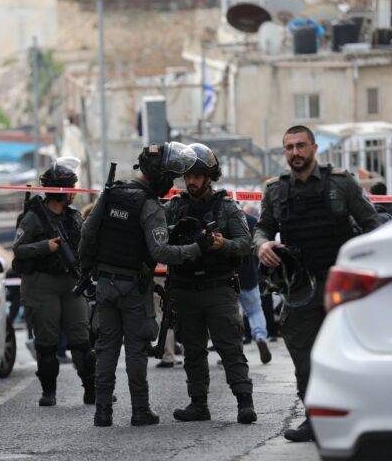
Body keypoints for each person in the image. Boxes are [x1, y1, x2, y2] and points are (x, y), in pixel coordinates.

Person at [254, 125, 381, 442]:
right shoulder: (276, 191)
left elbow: (371, 224)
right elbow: (262, 229)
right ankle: (315, 419)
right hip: (301, 287)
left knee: (352, 351)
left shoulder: (341, 183)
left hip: (342, 284)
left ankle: (362, 414)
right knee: (304, 356)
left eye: (300, 146)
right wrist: (262, 245)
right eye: (288, 148)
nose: (295, 153)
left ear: (314, 148)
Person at [79, 142, 210, 428]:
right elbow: (160, 252)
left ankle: (103, 412)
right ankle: (140, 411)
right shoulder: (150, 205)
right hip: (133, 289)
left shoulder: (112, 193)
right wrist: (196, 248)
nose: (173, 182)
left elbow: (88, 232)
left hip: (104, 284)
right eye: (172, 176)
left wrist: (87, 269)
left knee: (106, 349)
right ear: (160, 175)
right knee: (136, 349)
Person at [164, 143, 257, 425]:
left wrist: (222, 244)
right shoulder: (174, 207)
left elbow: (245, 243)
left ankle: (244, 402)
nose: (191, 181)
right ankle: (198, 404)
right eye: (187, 176)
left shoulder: (226, 207)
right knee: (192, 351)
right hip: (185, 288)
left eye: (197, 176)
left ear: (209, 177)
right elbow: (157, 239)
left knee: (230, 348)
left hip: (218, 289)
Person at [13, 157, 95, 407]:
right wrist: (45, 247)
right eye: (71, 188)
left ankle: (91, 389)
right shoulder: (33, 218)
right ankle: (49, 392)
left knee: (81, 340)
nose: (74, 194)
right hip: (42, 285)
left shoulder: (73, 217)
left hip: (71, 283)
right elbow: (19, 249)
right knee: (47, 343)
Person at [237, 210, 271, 364]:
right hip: (249, 273)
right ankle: (259, 336)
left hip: (227, 276)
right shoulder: (251, 220)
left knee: (231, 314)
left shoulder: (220, 218)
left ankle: (234, 349)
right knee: (255, 310)